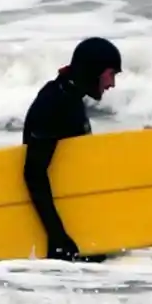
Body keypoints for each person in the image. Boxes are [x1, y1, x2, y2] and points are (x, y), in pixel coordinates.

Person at [21, 37, 121, 262]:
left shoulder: (70, 98)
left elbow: (74, 166)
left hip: (76, 226)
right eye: (111, 74)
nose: (112, 83)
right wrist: (57, 237)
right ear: (95, 70)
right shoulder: (54, 102)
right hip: (61, 237)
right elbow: (34, 173)